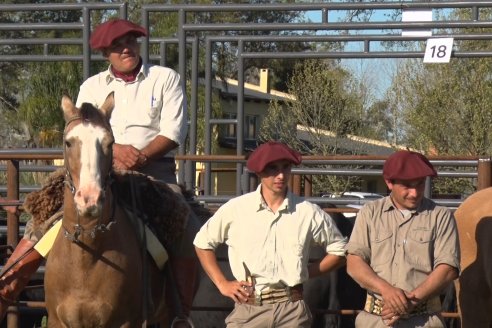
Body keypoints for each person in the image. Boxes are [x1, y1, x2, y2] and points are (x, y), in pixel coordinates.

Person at [0, 19, 198, 327]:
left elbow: (173, 132)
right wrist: (115, 151)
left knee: (185, 227)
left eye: (131, 41)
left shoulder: (164, 78)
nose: (126, 49)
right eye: (117, 45)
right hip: (95, 169)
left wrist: (141, 156)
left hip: (153, 173)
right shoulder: (91, 87)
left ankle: (180, 315)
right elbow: (80, 130)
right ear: (106, 52)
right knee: (41, 219)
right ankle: (6, 289)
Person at [193, 141, 347, 327]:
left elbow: (340, 251)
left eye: (286, 167)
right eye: (273, 168)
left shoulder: (308, 212)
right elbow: (202, 243)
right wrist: (222, 283)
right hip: (249, 308)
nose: (281, 175)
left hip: (292, 310)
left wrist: (305, 272)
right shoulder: (236, 209)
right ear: (259, 172)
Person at [346, 150, 460, 328]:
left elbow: (448, 269)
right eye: (407, 186)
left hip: (424, 320)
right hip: (376, 319)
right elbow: (354, 262)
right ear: (389, 182)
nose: (415, 193)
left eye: (420, 184)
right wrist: (386, 290)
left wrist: (409, 302)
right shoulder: (369, 213)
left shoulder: (440, 216)